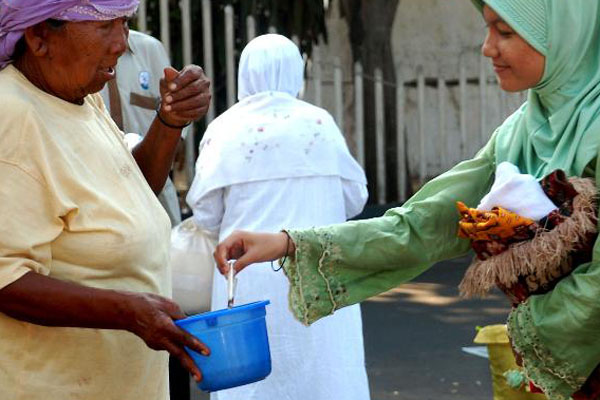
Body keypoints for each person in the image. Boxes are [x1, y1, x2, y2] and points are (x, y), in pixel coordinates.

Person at [214, 2, 600, 400]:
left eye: (505, 32)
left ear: (564, 36)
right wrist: (288, 242)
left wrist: (534, 330)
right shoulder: (518, 132)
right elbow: (424, 223)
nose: (487, 48)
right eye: (488, 30)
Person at [0, 1, 212, 399]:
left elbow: (128, 193)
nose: (121, 43)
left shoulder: (81, 98)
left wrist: (169, 121)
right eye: (104, 27)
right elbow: (5, 279)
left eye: (124, 23)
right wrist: (127, 312)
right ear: (40, 37)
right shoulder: (12, 117)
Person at [187, 34, 371, 400]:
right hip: (319, 277)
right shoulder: (319, 124)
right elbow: (356, 199)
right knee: (325, 372)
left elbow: (206, 215)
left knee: (253, 381)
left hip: (248, 279)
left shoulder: (224, 129)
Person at [100, 29, 188, 226]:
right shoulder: (83, 52)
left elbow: (173, 101)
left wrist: (177, 138)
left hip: (152, 179)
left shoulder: (150, 49)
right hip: (101, 180)